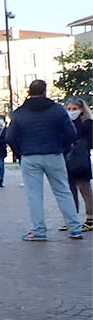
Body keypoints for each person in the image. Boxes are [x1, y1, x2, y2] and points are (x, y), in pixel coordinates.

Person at [5, 79, 83, 241]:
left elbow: (10, 137)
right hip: (54, 154)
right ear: (45, 91)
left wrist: (20, 153)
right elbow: (71, 133)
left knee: (34, 195)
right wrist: (62, 147)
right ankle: (75, 228)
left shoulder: (20, 112)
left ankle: (39, 230)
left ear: (29, 92)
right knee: (63, 191)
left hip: (30, 156)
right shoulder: (57, 110)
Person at [62, 98, 92, 232]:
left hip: (81, 160)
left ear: (81, 110)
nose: (71, 112)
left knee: (85, 190)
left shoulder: (87, 123)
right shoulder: (65, 123)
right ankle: (72, 219)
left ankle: (90, 218)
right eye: (69, 109)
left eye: (74, 109)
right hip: (66, 160)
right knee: (70, 191)